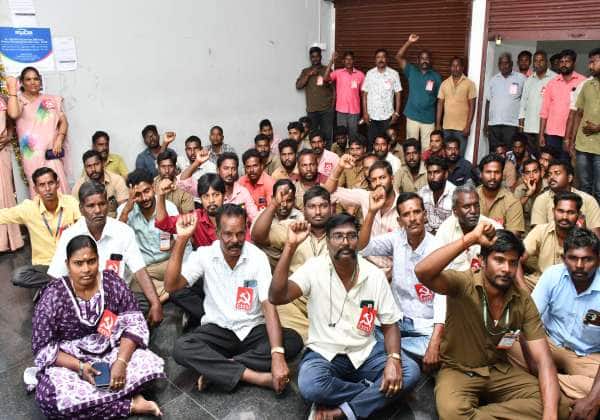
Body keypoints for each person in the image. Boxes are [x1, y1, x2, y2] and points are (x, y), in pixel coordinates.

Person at [270, 213, 420, 420]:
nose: (345, 242)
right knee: (311, 385)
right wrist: (290, 246)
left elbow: (390, 325)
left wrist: (393, 360)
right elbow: (276, 296)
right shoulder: (314, 268)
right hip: (325, 352)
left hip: (366, 352)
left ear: (358, 239)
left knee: (410, 371)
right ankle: (379, 393)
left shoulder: (374, 275)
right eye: (338, 236)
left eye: (351, 236)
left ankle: (343, 411)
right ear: (328, 241)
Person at [414, 226, 567, 419]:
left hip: (498, 370)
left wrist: (550, 415)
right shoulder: (463, 283)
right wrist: (470, 239)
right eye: (499, 260)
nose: (506, 269)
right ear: (482, 261)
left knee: (559, 407)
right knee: (453, 412)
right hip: (459, 370)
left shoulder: (523, 300)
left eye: (513, 263)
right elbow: (422, 272)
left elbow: (544, 361)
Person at [167, 204, 303, 392]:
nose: (235, 240)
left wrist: (277, 355)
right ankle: (253, 376)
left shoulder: (257, 257)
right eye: (228, 234)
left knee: (292, 340)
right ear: (217, 232)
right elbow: (171, 286)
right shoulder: (205, 255)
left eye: (240, 234)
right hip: (219, 329)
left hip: (252, 329)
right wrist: (182, 239)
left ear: (246, 230)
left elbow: (268, 305)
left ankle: (219, 370)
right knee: (181, 348)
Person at [30, 235, 165, 418]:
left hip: (113, 350)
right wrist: (80, 367)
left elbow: (134, 324)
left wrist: (121, 362)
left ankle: (101, 398)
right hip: (72, 362)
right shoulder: (53, 296)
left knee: (149, 365)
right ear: (67, 264)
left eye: (91, 261)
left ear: (98, 260)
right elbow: (43, 347)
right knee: (48, 398)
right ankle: (131, 404)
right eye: (78, 263)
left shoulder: (112, 283)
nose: (86, 269)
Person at [510, 227, 600, 412]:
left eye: (587, 259)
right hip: (547, 342)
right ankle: (561, 390)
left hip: (586, 355)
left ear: (598, 260)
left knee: (595, 391)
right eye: (573, 258)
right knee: (506, 344)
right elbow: (528, 321)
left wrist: (593, 398)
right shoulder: (553, 275)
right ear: (564, 258)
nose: (579, 265)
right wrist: (535, 366)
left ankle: (542, 385)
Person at [48, 182, 163, 325]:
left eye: (102, 204)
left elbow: (139, 270)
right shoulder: (70, 235)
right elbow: (56, 277)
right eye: (91, 206)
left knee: (143, 304)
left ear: (108, 205)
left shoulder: (123, 231)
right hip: (83, 300)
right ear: (81, 209)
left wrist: (156, 303)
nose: (98, 210)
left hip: (116, 300)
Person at [359, 192, 445, 367]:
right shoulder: (396, 238)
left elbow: (442, 299)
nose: (412, 219)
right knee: (362, 330)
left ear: (425, 215)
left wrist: (435, 342)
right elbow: (363, 248)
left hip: (425, 327)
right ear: (399, 221)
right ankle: (397, 354)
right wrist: (372, 212)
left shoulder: (438, 248)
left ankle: (389, 352)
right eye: (406, 214)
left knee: (441, 346)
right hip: (396, 321)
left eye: (417, 212)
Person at [252, 186, 331, 340]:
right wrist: (274, 204)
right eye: (312, 207)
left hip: (328, 303)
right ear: (304, 209)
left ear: (330, 208)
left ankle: (316, 340)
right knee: (278, 312)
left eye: (323, 206)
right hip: (294, 302)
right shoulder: (293, 227)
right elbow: (258, 236)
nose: (318, 212)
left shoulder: (339, 232)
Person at [3, 168, 80, 288]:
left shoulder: (70, 202)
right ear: (35, 189)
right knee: (18, 276)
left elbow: (85, 224)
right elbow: (3, 215)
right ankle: (65, 282)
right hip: (45, 266)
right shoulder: (29, 208)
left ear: (57, 184)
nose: (47, 189)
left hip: (71, 261)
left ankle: (60, 283)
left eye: (51, 183)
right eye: (42, 185)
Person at [118, 169, 186, 303]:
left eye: (147, 191)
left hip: (168, 263)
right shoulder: (125, 210)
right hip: (145, 268)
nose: (144, 198)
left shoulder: (169, 207)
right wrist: (126, 210)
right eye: (138, 194)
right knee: (135, 280)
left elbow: (183, 242)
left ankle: (159, 295)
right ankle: (169, 293)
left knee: (188, 273)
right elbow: (117, 239)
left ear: (154, 187)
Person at [326, 158, 400, 273]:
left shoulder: (403, 205)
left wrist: (389, 276)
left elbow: (409, 250)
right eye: (374, 180)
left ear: (392, 178)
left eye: (382, 178)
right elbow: (328, 192)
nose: (378, 183)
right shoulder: (366, 197)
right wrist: (340, 167)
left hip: (394, 270)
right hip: (366, 267)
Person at [6, 68, 70, 196]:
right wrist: (13, 90)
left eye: (36, 79)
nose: (33, 82)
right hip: (31, 155)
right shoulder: (19, 100)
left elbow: (63, 122)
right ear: (22, 82)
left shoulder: (50, 100)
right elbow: (13, 114)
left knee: (58, 186)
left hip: (51, 152)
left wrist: (59, 139)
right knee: (39, 189)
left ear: (40, 81)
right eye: (28, 79)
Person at [521, 191, 582, 290]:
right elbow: (517, 259)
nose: (564, 217)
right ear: (553, 211)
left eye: (571, 212)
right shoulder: (540, 230)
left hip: (570, 288)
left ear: (578, 215)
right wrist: (523, 289)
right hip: (540, 284)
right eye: (560, 211)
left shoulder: (584, 239)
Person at [435, 184, 502, 271]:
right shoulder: (446, 229)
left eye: (476, 205)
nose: (473, 211)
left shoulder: (493, 228)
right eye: (466, 207)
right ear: (455, 211)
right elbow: (435, 263)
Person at [531, 159, 600, 239]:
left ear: (569, 178)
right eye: (549, 174)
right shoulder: (541, 200)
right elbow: (537, 236)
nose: (551, 177)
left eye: (557, 173)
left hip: (580, 244)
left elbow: (596, 237)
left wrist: (581, 233)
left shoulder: (588, 200)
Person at [395, 33, 442, 150]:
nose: (424, 60)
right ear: (418, 60)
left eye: (427, 58)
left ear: (430, 60)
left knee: (428, 148)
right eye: (422, 58)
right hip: (412, 116)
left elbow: (440, 101)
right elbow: (398, 57)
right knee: (411, 146)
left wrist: (438, 123)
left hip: (428, 118)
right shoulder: (411, 71)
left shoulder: (436, 77)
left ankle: (425, 163)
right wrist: (409, 42)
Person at [155, 173, 224, 249]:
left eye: (216, 195)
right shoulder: (195, 219)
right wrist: (160, 195)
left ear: (224, 196)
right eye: (206, 196)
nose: (211, 200)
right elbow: (163, 223)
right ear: (200, 199)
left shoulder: (233, 216)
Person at [540, 49, 586, 154]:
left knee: (567, 162)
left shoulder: (583, 82)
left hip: (572, 133)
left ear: (574, 63)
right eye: (561, 62)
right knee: (551, 162)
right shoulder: (552, 83)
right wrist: (541, 134)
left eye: (567, 61)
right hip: (552, 133)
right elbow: (544, 111)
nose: (564, 64)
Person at [250, 179, 303, 270]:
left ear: (294, 200)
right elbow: (256, 237)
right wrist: (274, 204)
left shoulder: (299, 217)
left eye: (289, 200)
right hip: (262, 264)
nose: (284, 204)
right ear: (272, 198)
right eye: (280, 199)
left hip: (289, 265)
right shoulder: (263, 214)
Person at [572, 48, 600, 204]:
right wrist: (572, 140)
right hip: (583, 145)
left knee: (599, 188)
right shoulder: (587, 85)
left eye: (593, 62)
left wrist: (598, 128)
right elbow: (578, 113)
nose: (590, 66)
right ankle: (585, 218)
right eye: (589, 62)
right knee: (584, 187)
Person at [362, 48, 402, 151]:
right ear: (375, 60)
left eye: (383, 57)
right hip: (372, 116)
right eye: (378, 57)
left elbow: (398, 93)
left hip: (387, 117)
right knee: (371, 143)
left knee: (386, 143)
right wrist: (365, 113)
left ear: (387, 59)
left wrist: (397, 113)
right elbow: (364, 94)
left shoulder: (394, 74)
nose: (381, 59)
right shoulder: (370, 74)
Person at [436, 56, 477, 157]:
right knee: (446, 155)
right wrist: (438, 124)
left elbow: (472, 106)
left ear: (462, 67)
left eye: (458, 65)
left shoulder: (470, 84)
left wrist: (468, 126)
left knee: (459, 155)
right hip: (446, 127)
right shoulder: (444, 84)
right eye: (453, 66)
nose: (455, 68)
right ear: (450, 67)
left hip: (462, 129)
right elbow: (440, 104)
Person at [484, 53, 526, 150]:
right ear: (498, 65)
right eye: (501, 63)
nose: (504, 66)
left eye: (506, 63)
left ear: (511, 64)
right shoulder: (493, 80)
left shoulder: (521, 78)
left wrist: (522, 124)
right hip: (494, 124)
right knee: (494, 152)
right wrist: (486, 123)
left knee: (510, 152)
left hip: (512, 124)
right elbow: (488, 102)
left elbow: (525, 102)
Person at [477, 154, 525, 236]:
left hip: (500, 245)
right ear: (481, 174)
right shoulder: (472, 196)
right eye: (488, 172)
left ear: (502, 175)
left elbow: (512, 237)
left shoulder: (512, 202)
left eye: (497, 172)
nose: (492, 177)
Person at [518, 50, 556, 151]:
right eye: (535, 61)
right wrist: (521, 126)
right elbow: (523, 104)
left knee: (543, 156)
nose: (538, 63)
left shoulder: (555, 78)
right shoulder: (529, 80)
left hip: (546, 130)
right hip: (529, 128)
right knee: (530, 157)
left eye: (541, 60)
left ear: (547, 62)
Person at [72, 150, 128, 218]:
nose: (93, 169)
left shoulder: (117, 180)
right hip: (89, 223)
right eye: (89, 166)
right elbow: (76, 214)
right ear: (85, 168)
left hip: (114, 221)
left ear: (103, 164)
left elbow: (124, 209)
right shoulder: (78, 186)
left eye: (96, 164)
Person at [296, 46, 334, 145]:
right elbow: (298, 86)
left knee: (327, 135)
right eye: (313, 57)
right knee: (312, 135)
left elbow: (334, 89)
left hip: (326, 110)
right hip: (312, 110)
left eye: (317, 56)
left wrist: (332, 106)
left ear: (321, 57)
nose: (315, 59)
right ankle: (313, 154)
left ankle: (327, 154)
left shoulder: (327, 70)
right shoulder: (305, 71)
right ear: (310, 58)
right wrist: (309, 74)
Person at [0, 95, 23, 254]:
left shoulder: (2, 100)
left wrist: (7, 137)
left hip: (2, 151)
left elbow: (10, 124)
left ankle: (10, 240)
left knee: (5, 194)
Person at [324, 51, 365, 137]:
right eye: (346, 59)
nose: (348, 61)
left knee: (353, 135)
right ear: (343, 61)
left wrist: (365, 112)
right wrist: (331, 61)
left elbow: (363, 95)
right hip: (341, 110)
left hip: (354, 111)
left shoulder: (360, 75)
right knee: (341, 135)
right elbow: (325, 78)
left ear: (354, 60)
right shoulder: (338, 73)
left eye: (350, 59)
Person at [418, 156, 455, 234]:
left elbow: (456, 226)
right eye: (429, 173)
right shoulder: (422, 193)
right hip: (426, 236)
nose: (432, 177)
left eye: (436, 172)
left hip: (448, 237)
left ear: (446, 174)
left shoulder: (455, 195)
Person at [217, 152, 259, 221]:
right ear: (218, 170)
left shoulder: (243, 191)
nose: (230, 173)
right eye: (226, 168)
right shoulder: (214, 192)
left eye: (233, 169)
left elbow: (255, 216)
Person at [153, 149, 195, 213]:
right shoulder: (153, 184)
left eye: (170, 166)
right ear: (158, 168)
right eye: (163, 166)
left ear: (175, 167)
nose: (167, 171)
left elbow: (189, 215)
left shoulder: (183, 187)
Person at [514, 158, 547, 231]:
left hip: (546, 229)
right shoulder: (519, 190)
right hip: (527, 232)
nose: (531, 176)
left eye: (535, 172)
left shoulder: (549, 187)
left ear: (541, 173)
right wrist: (529, 192)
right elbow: (513, 211)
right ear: (523, 176)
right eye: (527, 173)